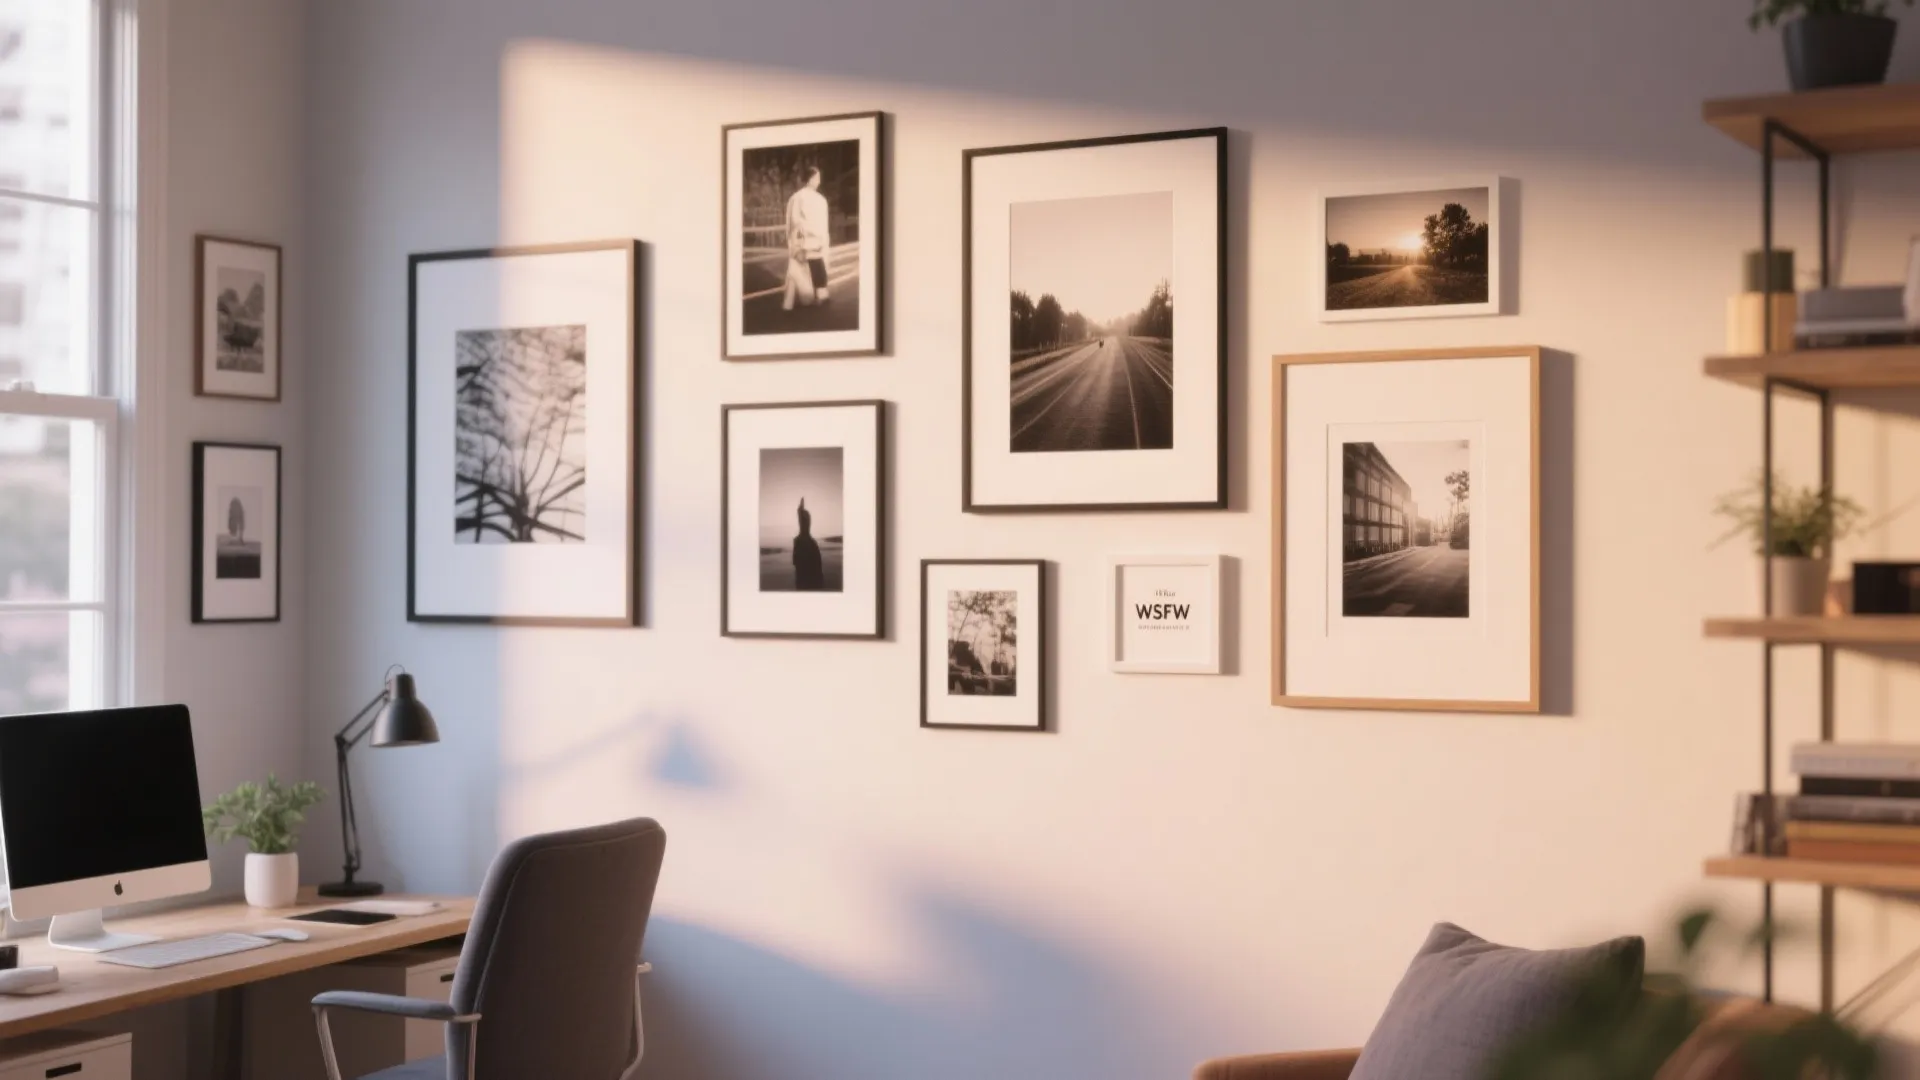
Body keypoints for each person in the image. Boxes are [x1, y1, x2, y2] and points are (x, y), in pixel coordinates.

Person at [782, 166, 832, 311]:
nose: (819, 181)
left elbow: (823, 224)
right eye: (817, 178)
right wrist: (797, 246)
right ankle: (789, 303)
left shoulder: (821, 200)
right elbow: (795, 222)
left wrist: (823, 242)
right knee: (794, 271)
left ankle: (818, 294)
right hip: (802, 243)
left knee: (815, 272)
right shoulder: (797, 198)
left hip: (817, 244)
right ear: (810, 179)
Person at [791, 497, 824, 591]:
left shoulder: (804, 543)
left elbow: (818, 571)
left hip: (808, 585)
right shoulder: (806, 542)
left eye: (802, 521)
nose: (800, 523)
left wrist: (800, 510)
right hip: (804, 584)